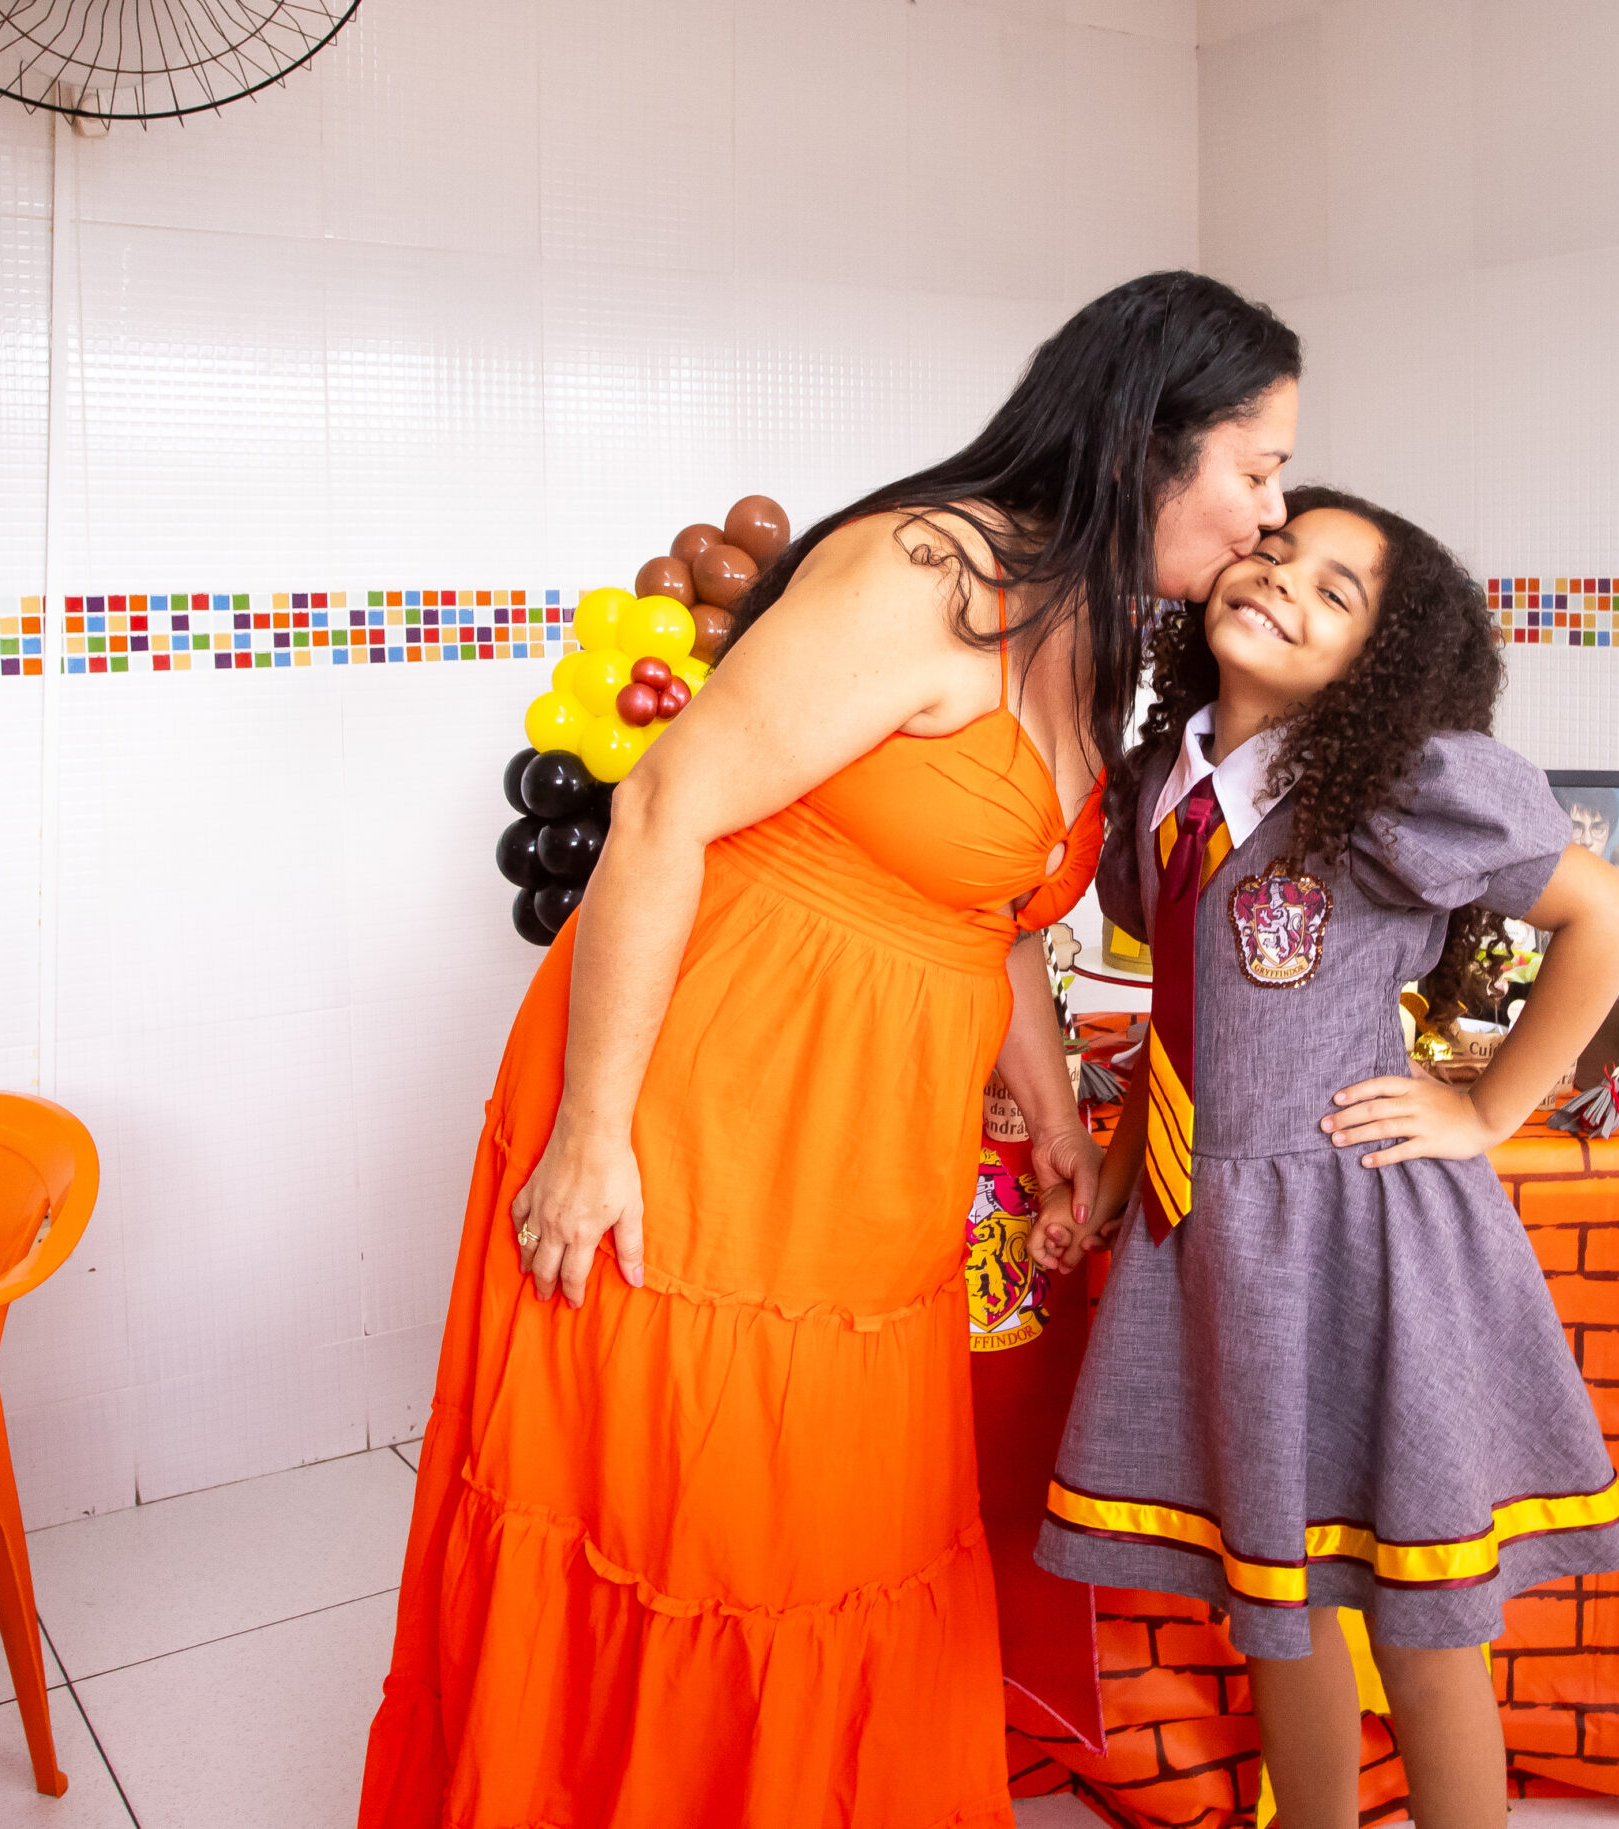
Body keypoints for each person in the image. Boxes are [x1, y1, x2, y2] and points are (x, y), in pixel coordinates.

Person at [358, 272, 1301, 1829]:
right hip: (704, 1101)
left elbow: (994, 911)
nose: (1270, 514)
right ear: (1153, 440)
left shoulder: (1089, 625)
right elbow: (661, 809)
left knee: (832, 1534)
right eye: (1257, 469)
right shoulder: (925, 572)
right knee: (700, 1527)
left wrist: (1054, 1120)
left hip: (866, 1144)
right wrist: (592, 1134)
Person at [1029, 488, 1619, 1829]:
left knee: (1421, 1615)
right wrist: (1127, 1167)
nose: (1281, 584)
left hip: (1354, 1232)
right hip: (1215, 1235)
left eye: (1334, 592)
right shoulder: (1162, 786)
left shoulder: (1391, 790)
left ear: (1379, 663)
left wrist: (1486, 1110)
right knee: (1277, 1602)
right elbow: (1190, 1008)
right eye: (1275, 552)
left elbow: (1612, 911)